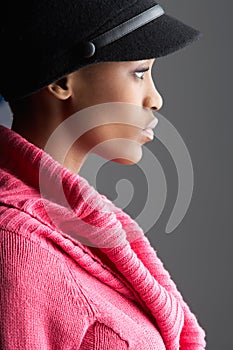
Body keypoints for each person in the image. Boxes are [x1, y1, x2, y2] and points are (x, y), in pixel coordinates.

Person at [0, 1, 206, 349]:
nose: (155, 99)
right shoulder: (17, 246)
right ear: (62, 81)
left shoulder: (74, 225)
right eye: (140, 72)